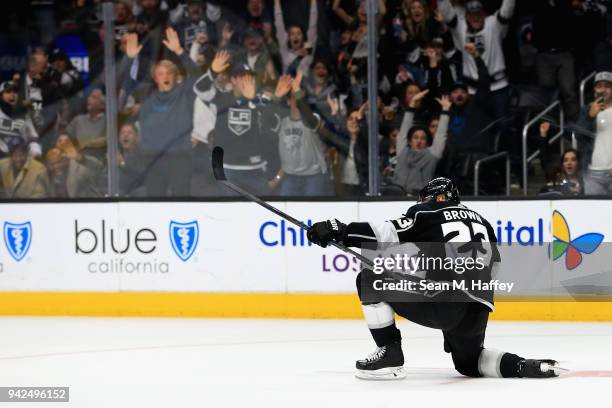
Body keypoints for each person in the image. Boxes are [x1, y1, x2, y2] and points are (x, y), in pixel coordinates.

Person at [306, 177, 561, 380]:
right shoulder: (483, 222)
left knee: (370, 279)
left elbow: (384, 234)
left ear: (438, 198)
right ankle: (521, 366)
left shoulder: (428, 213)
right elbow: (494, 266)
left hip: (447, 300)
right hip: (480, 305)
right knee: (469, 363)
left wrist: (340, 230)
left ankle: (390, 355)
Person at [125, 27, 201, 197]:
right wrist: (130, 59)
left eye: (169, 73)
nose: (165, 76)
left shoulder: (184, 93)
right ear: (155, 78)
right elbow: (128, 84)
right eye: (160, 73)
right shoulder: (146, 95)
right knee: (155, 201)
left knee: (181, 201)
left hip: (180, 158)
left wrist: (180, 51)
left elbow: (197, 76)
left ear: (175, 76)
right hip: (153, 157)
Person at [393, 91, 451, 195]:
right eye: (415, 137)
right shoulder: (402, 150)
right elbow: (404, 131)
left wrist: (445, 110)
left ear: (427, 142)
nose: (419, 141)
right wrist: (412, 105)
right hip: (396, 197)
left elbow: (440, 135)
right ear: (410, 141)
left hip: (419, 199)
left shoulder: (432, 155)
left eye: (423, 138)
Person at [578, 71, 612, 195]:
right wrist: (590, 116)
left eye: (608, 86)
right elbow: (579, 138)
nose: (603, 89)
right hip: (592, 173)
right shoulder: (586, 110)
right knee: (593, 213)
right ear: (595, 89)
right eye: (600, 86)